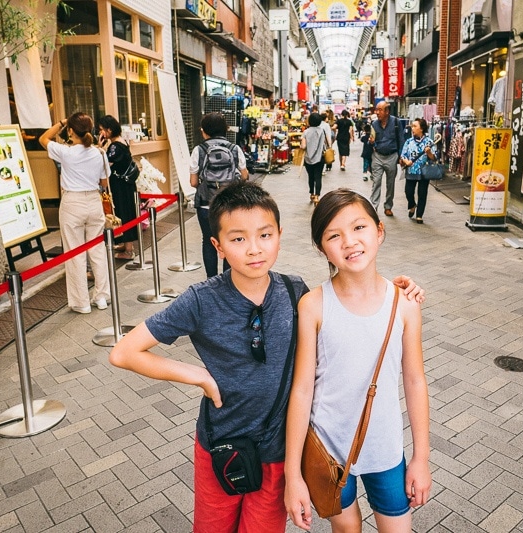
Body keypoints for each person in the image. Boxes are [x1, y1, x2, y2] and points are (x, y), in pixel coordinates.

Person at [109, 181, 425, 533]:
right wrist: (197, 376)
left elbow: (351, 302)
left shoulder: (296, 294)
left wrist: (398, 291)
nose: (254, 249)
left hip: (277, 452)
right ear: (218, 246)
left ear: (279, 234)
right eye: (238, 239)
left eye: (264, 235)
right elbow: (125, 352)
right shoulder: (201, 299)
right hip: (221, 446)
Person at [284, 188, 432, 532]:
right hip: (328, 450)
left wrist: (421, 458)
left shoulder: (405, 304)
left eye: (359, 228)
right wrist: (294, 474)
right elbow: (303, 389)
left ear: (379, 231)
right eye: (334, 235)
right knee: (347, 528)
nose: (349, 242)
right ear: (322, 248)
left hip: (385, 449)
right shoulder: (314, 305)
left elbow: (415, 380)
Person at [39, 112, 110, 314]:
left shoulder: (66, 152)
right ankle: (102, 296)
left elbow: (43, 138)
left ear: (71, 130)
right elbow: (104, 183)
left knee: (75, 253)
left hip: (72, 203)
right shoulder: (99, 154)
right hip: (93, 202)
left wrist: (61, 122)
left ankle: (82, 302)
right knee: (97, 250)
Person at [190, 112, 249, 278]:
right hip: (229, 204)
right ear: (225, 130)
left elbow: (193, 182)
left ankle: (212, 280)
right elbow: (244, 176)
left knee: (208, 242)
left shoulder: (198, 150)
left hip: (205, 203)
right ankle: (227, 280)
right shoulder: (234, 149)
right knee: (228, 241)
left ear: (204, 131)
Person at [97, 115, 138, 259]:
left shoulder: (115, 147)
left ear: (109, 130)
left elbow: (104, 163)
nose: (101, 133)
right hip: (125, 185)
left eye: (102, 130)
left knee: (124, 214)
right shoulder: (121, 142)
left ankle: (128, 250)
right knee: (124, 213)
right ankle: (126, 245)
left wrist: (99, 148)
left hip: (121, 186)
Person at [369, 101, 404, 217]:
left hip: (392, 156)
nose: (377, 112)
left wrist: (401, 156)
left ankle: (388, 206)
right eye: (376, 109)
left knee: (390, 183)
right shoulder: (374, 124)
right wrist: (371, 142)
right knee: (376, 181)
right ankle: (374, 206)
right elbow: (371, 140)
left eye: (380, 110)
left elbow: (401, 140)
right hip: (378, 156)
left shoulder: (396, 122)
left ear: (387, 111)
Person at [400, 118, 436, 224]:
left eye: (415, 126)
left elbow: (434, 158)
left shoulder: (429, 142)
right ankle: (412, 205)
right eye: (412, 126)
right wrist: (406, 162)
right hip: (411, 170)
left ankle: (419, 215)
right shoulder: (409, 141)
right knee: (408, 191)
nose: (412, 128)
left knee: (422, 193)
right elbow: (403, 155)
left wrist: (429, 153)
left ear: (422, 128)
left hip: (424, 171)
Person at [302, 112, 328, 204]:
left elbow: (303, 146)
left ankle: (312, 194)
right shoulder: (322, 131)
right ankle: (317, 196)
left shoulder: (306, 132)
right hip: (320, 158)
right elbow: (325, 144)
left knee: (311, 177)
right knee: (318, 177)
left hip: (308, 159)